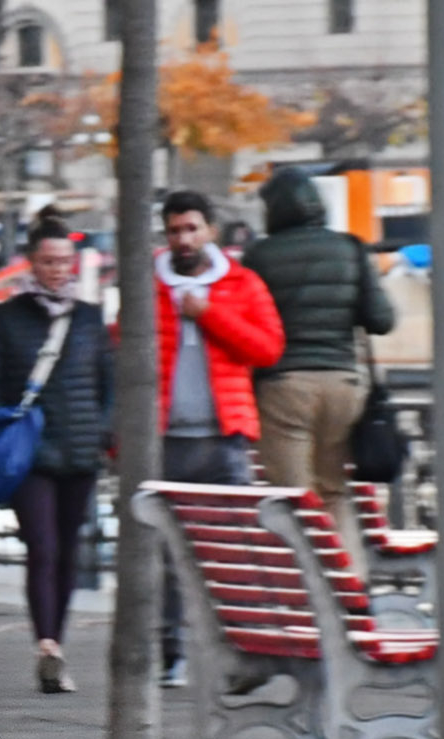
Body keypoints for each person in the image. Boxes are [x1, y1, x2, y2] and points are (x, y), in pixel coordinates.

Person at [0, 220, 113, 694]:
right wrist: (6, 420)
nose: (56, 270)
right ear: (31, 262)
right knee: (43, 548)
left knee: (69, 550)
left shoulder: (89, 318)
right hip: (28, 453)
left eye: (63, 262)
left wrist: (101, 433)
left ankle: (58, 641)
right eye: (48, 261)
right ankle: (47, 645)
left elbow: (106, 383)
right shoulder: (6, 318)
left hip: (79, 450)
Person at [150, 188, 283, 685]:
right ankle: (173, 655)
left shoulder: (241, 283)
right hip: (165, 439)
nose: (183, 239)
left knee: (235, 552)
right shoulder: (151, 284)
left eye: (191, 228)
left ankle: (244, 658)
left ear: (210, 231)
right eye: (174, 230)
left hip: (225, 436)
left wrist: (207, 313)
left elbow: (267, 348)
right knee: (169, 556)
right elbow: (122, 347)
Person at [243, 166, 396, 557]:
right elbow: (381, 320)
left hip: (284, 386)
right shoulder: (351, 248)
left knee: (294, 498)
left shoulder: (259, 256)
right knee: (334, 492)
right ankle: (349, 592)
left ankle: (308, 600)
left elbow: (249, 324)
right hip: (343, 386)